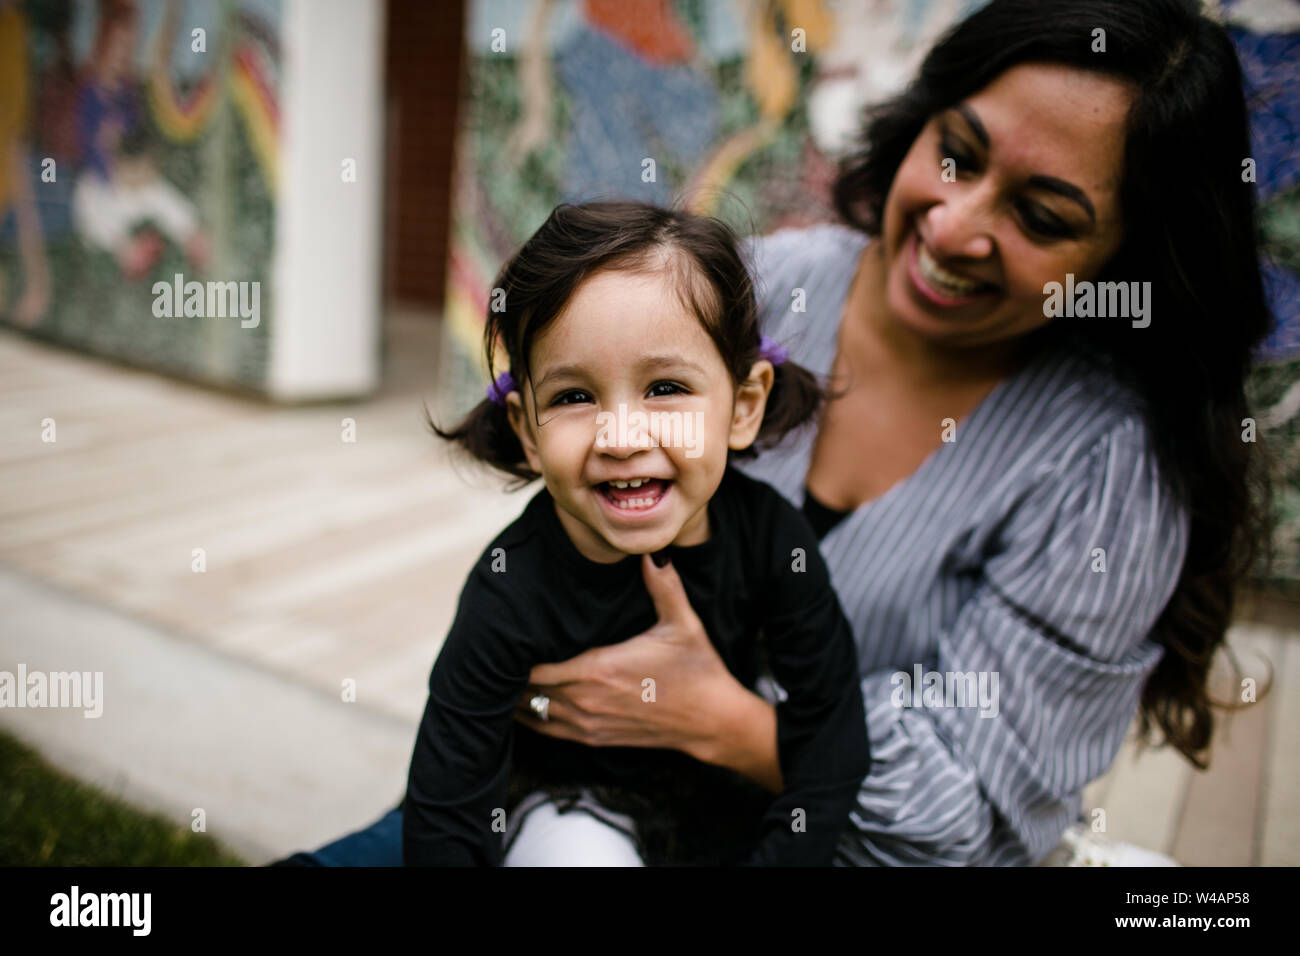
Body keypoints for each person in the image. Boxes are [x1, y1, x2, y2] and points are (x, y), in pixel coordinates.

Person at [279, 0, 1273, 866]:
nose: (954, 224)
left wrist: (729, 723)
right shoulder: (776, 280)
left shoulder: (1105, 466)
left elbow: (972, 818)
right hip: (566, 780)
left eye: (1041, 215)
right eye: (957, 155)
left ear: (1124, 259)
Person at [404, 199, 870, 866]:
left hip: (722, 816)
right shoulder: (510, 586)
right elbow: (445, 807)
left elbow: (833, 736)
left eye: (666, 388)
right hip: (573, 806)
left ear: (742, 406)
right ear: (527, 430)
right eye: (573, 397)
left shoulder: (774, 542)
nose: (622, 438)